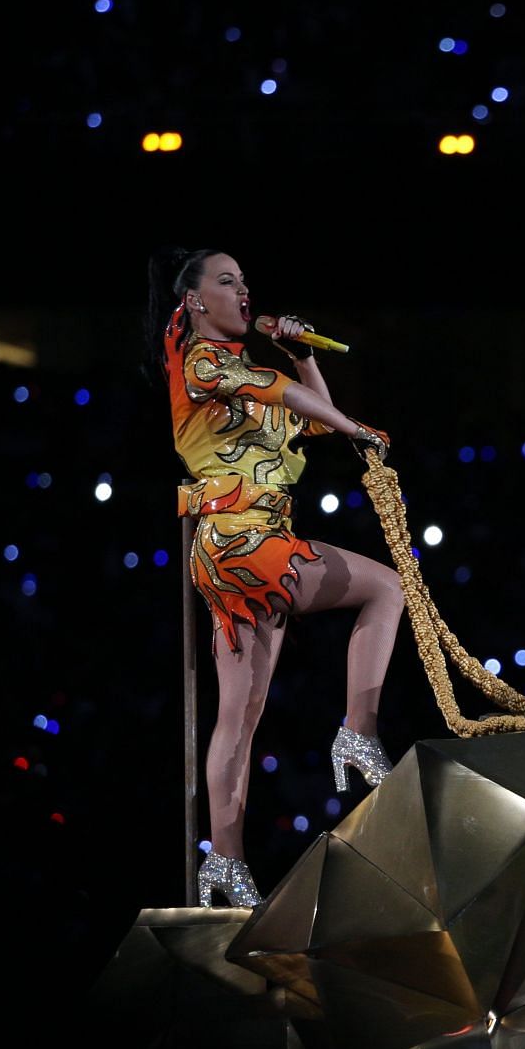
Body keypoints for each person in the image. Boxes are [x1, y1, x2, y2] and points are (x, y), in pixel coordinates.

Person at [144, 247, 404, 908]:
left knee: (241, 713)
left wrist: (303, 352)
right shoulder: (203, 362)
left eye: (245, 282)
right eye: (227, 283)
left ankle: (226, 862)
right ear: (196, 302)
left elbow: (306, 408)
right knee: (385, 587)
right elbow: (298, 403)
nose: (243, 292)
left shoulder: (242, 371)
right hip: (248, 544)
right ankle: (359, 730)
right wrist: (356, 429)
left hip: (234, 551)